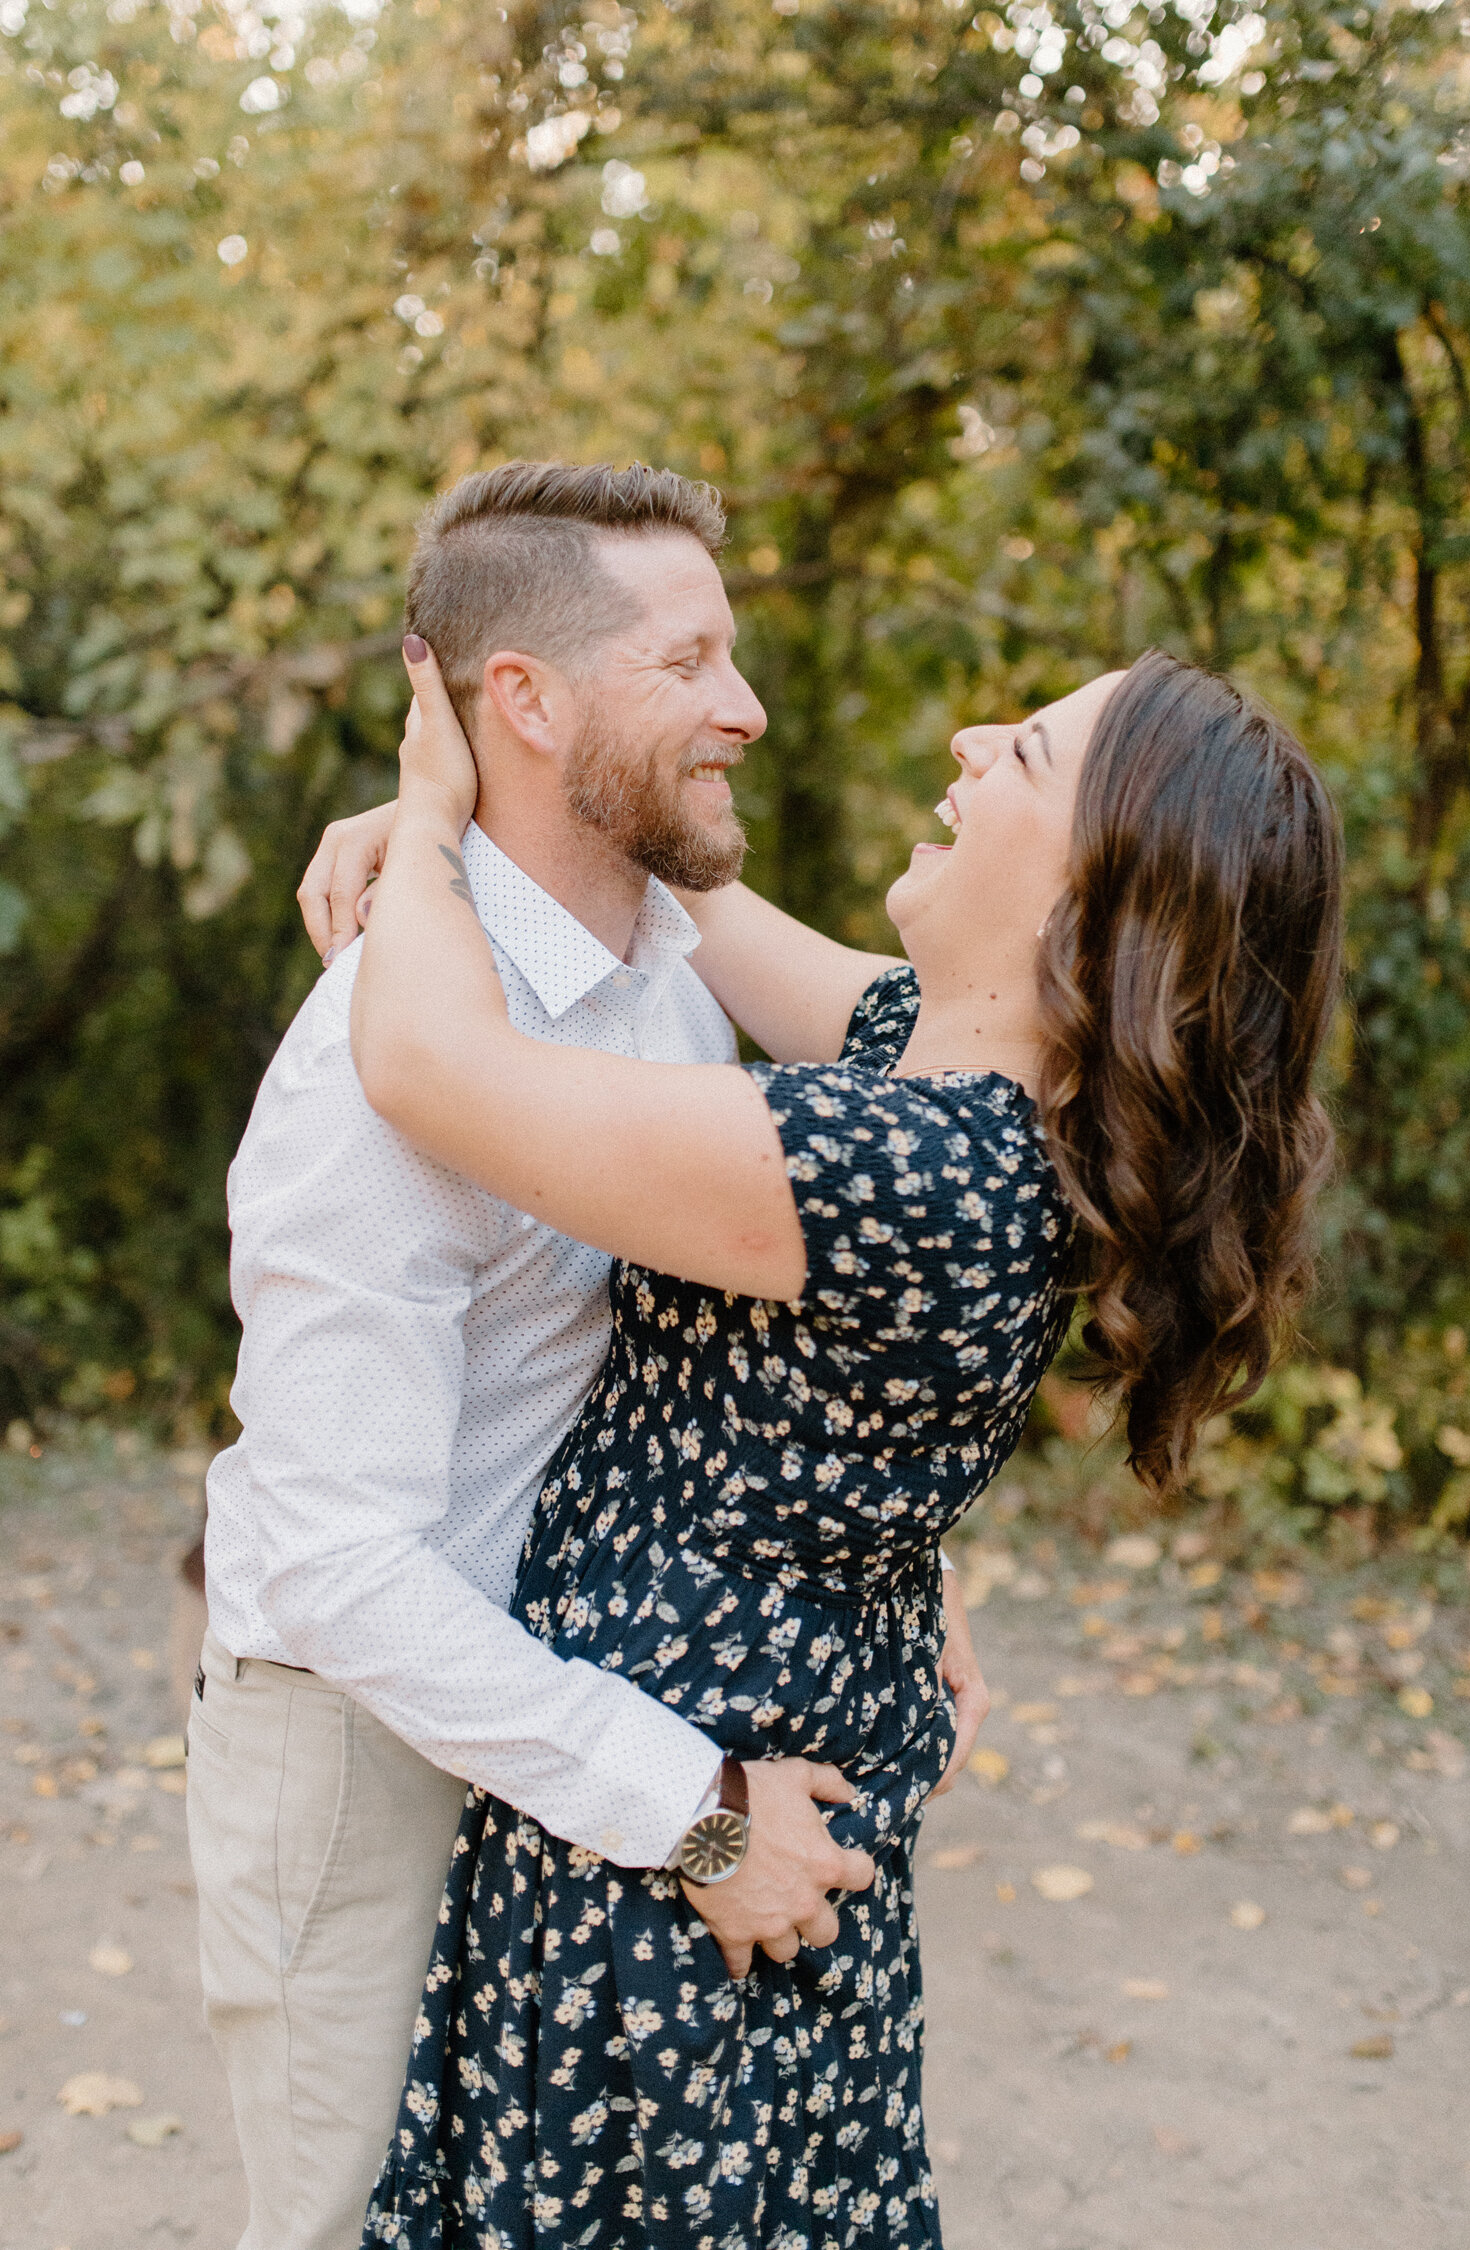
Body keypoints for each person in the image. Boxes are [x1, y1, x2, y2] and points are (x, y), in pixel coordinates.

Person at [327, 631, 1343, 2247]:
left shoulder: (906, 1172)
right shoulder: (962, 1084)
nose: (963, 732)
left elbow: (428, 1066)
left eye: (1022, 753)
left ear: (1094, 902)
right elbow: (698, 902)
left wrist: (432, 798)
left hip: (667, 1882)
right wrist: (521, 813)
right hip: (735, 1833)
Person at [188, 460, 990, 2250]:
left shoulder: (680, 964)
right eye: (687, 659)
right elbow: (338, 1567)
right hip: (374, 1741)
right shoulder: (371, 1076)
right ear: (523, 704)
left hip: (563, 1719)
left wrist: (901, 1568)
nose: (746, 707)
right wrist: (695, 1813)